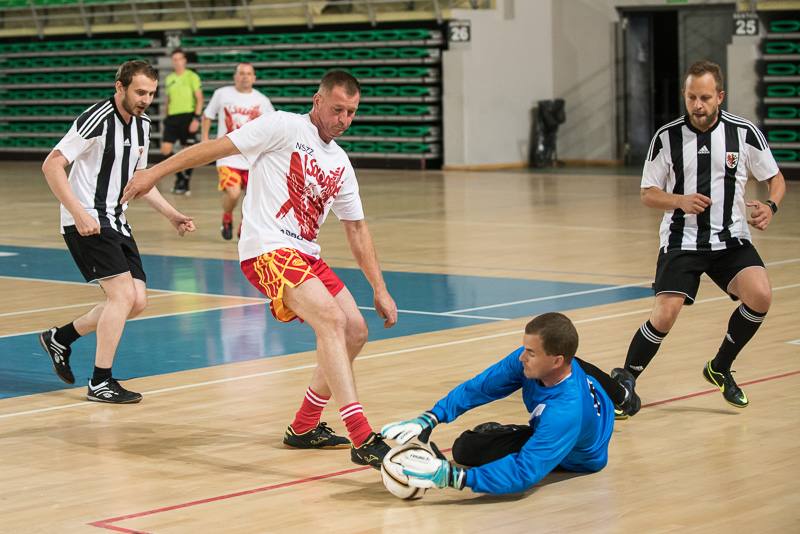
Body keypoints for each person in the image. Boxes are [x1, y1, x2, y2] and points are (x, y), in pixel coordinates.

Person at [122, 70, 398, 467]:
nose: (344, 119)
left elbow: (356, 228)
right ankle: (362, 435)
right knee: (332, 322)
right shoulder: (284, 125)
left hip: (306, 254)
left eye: (351, 113)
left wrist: (380, 288)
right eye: (337, 109)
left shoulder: (340, 162)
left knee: (356, 331)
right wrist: (154, 172)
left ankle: (304, 427)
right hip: (267, 249)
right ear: (317, 101)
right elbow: (215, 148)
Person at [614, 60, 786, 417]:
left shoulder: (743, 132)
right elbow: (647, 193)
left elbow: (777, 180)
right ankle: (626, 380)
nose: (697, 105)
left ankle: (720, 367)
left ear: (720, 96)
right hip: (683, 239)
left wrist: (770, 205)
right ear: (684, 95)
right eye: (691, 97)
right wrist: (679, 201)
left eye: (705, 97)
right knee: (665, 315)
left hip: (730, 238)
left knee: (761, 296)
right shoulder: (667, 137)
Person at [39, 60, 196, 404]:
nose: (145, 99)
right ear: (120, 87)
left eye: (151, 94)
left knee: (136, 302)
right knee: (122, 298)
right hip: (87, 220)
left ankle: (60, 338)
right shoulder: (96, 118)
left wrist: (171, 214)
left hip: (116, 220)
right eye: (140, 92)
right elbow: (51, 165)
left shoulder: (143, 125)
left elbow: (139, 182)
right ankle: (100, 381)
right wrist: (78, 212)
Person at [381, 312, 624, 495]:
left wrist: (452, 476)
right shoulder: (535, 363)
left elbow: (523, 473)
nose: (521, 357)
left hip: (577, 458)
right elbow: (480, 387)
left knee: (468, 450)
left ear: (556, 361)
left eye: (531, 352)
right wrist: (431, 417)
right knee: (469, 448)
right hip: (580, 411)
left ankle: (624, 393)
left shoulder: (565, 412)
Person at [201, 63, 275, 240]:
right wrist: (205, 139)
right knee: (233, 193)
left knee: (252, 198)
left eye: (249, 74)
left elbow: (272, 125)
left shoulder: (262, 101)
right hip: (227, 156)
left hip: (252, 158)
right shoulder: (222, 94)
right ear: (235, 76)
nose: (245, 77)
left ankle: (244, 227)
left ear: (254, 78)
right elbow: (207, 115)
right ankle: (227, 217)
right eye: (241, 73)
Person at [162, 48, 203, 195]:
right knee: (165, 150)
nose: (177, 62)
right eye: (175, 59)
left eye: (180, 59)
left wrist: (196, 119)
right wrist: (166, 118)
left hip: (188, 116)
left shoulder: (192, 76)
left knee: (188, 151)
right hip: (172, 117)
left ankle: (185, 182)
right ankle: (180, 177)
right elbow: (168, 100)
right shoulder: (169, 79)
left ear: (184, 61)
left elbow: (199, 99)